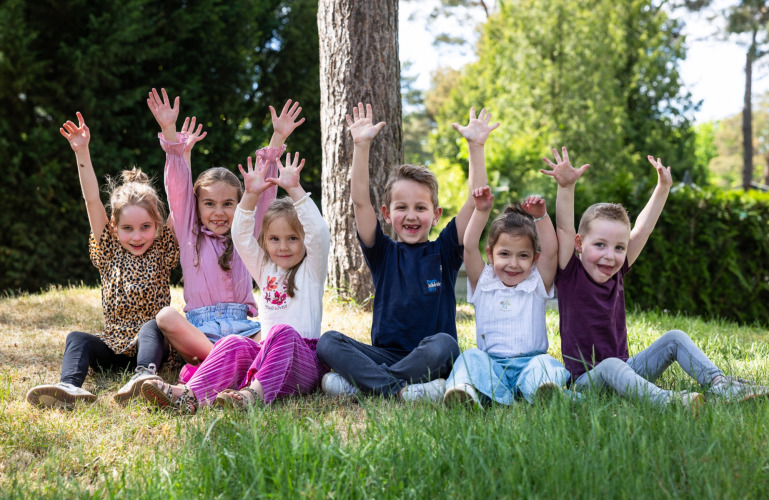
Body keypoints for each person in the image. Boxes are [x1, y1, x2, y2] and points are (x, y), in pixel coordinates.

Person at [546, 147, 769, 407]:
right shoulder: (570, 273)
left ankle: (720, 384)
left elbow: (643, 229)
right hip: (588, 381)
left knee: (675, 337)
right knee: (610, 365)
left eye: (619, 248)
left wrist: (663, 188)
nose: (610, 256)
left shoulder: (617, 271)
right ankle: (667, 402)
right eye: (600, 245)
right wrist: (566, 186)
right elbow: (564, 227)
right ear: (579, 244)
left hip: (628, 370)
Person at [316, 104, 498, 402]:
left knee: (445, 344)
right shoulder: (382, 252)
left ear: (436, 215)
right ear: (387, 214)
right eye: (401, 207)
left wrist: (476, 148)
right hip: (385, 355)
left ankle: (366, 386)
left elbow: (474, 202)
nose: (411, 215)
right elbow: (360, 202)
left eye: (420, 207)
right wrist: (361, 146)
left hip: (431, 356)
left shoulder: (445, 250)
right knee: (328, 342)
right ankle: (402, 391)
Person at [141, 152, 330, 413]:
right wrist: (250, 194)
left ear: (304, 240)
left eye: (292, 239)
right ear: (265, 241)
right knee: (233, 342)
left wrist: (295, 189)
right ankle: (188, 395)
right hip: (266, 357)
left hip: (303, 361)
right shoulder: (265, 268)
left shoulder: (312, 270)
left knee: (281, 332)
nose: (283, 247)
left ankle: (251, 396)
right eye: (274, 239)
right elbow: (240, 234)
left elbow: (318, 231)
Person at [26, 112, 179, 408]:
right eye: (128, 228)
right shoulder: (108, 249)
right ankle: (69, 387)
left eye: (145, 227)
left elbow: (179, 197)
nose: (137, 236)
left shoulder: (162, 247)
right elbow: (92, 199)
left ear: (158, 226)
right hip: (113, 347)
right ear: (113, 227)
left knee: (153, 325)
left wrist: (176, 146)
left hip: (152, 349)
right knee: (77, 337)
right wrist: (81, 151)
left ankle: (144, 379)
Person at [144, 89, 304, 368]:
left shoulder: (246, 234)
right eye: (209, 204)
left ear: (239, 204)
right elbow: (178, 187)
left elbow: (264, 192)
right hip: (201, 335)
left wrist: (278, 137)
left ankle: (224, 364)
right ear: (197, 206)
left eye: (228, 204)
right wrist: (169, 130)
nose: (218, 212)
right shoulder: (189, 233)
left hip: (245, 331)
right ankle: (231, 363)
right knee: (165, 317)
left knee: (284, 331)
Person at [443, 187, 570, 408]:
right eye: (504, 254)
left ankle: (544, 392)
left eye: (523, 256)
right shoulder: (483, 282)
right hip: (491, 367)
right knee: (470, 357)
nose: (513, 263)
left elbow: (551, 252)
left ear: (534, 258)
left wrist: (541, 217)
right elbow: (470, 246)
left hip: (530, 363)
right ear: (490, 254)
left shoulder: (537, 283)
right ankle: (465, 392)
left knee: (544, 363)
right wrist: (481, 211)